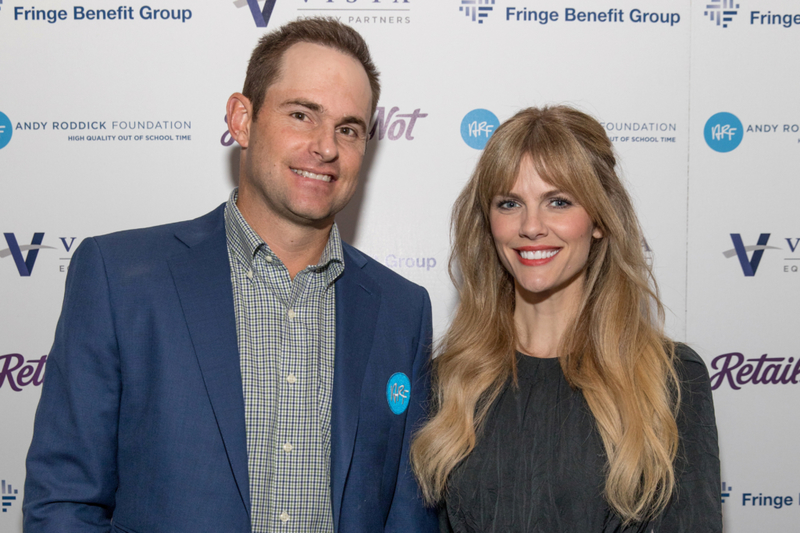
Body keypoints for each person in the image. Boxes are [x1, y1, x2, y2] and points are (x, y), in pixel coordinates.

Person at [24, 18, 437, 533]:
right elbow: (64, 502)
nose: (326, 147)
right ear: (242, 119)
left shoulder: (403, 310)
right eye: (302, 114)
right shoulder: (120, 279)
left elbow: (407, 517)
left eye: (348, 128)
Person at [410, 106, 721, 532]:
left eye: (558, 201)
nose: (531, 226)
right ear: (489, 224)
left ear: (598, 220)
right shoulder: (449, 380)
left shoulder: (670, 380)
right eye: (509, 203)